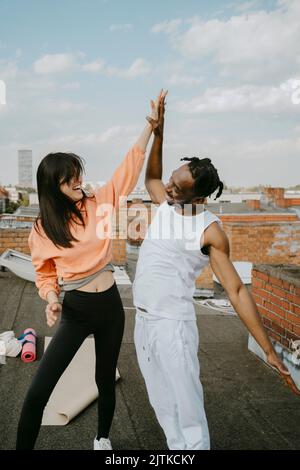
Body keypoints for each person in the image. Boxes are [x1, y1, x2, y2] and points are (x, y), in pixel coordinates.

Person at [132, 94, 300, 451]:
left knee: (188, 415)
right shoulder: (166, 204)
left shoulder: (209, 231)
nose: (169, 188)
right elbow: (152, 176)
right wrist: (160, 131)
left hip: (172, 328)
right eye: (172, 181)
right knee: (163, 408)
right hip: (144, 323)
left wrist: (269, 349)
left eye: (178, 188)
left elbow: (237, 290)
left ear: (200, 198)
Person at [16, 91, 164, 451]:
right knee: (39, 389)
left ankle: (102, 439)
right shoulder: (42, 229)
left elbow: (127, 170)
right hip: (77, 309)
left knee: (103, 376)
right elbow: (45, 274)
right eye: (69, 179)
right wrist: (52, 299)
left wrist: (150, 126)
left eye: (78, 175)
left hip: (110, 306)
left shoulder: (97, 203)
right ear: (54, 186)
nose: (78, 182)